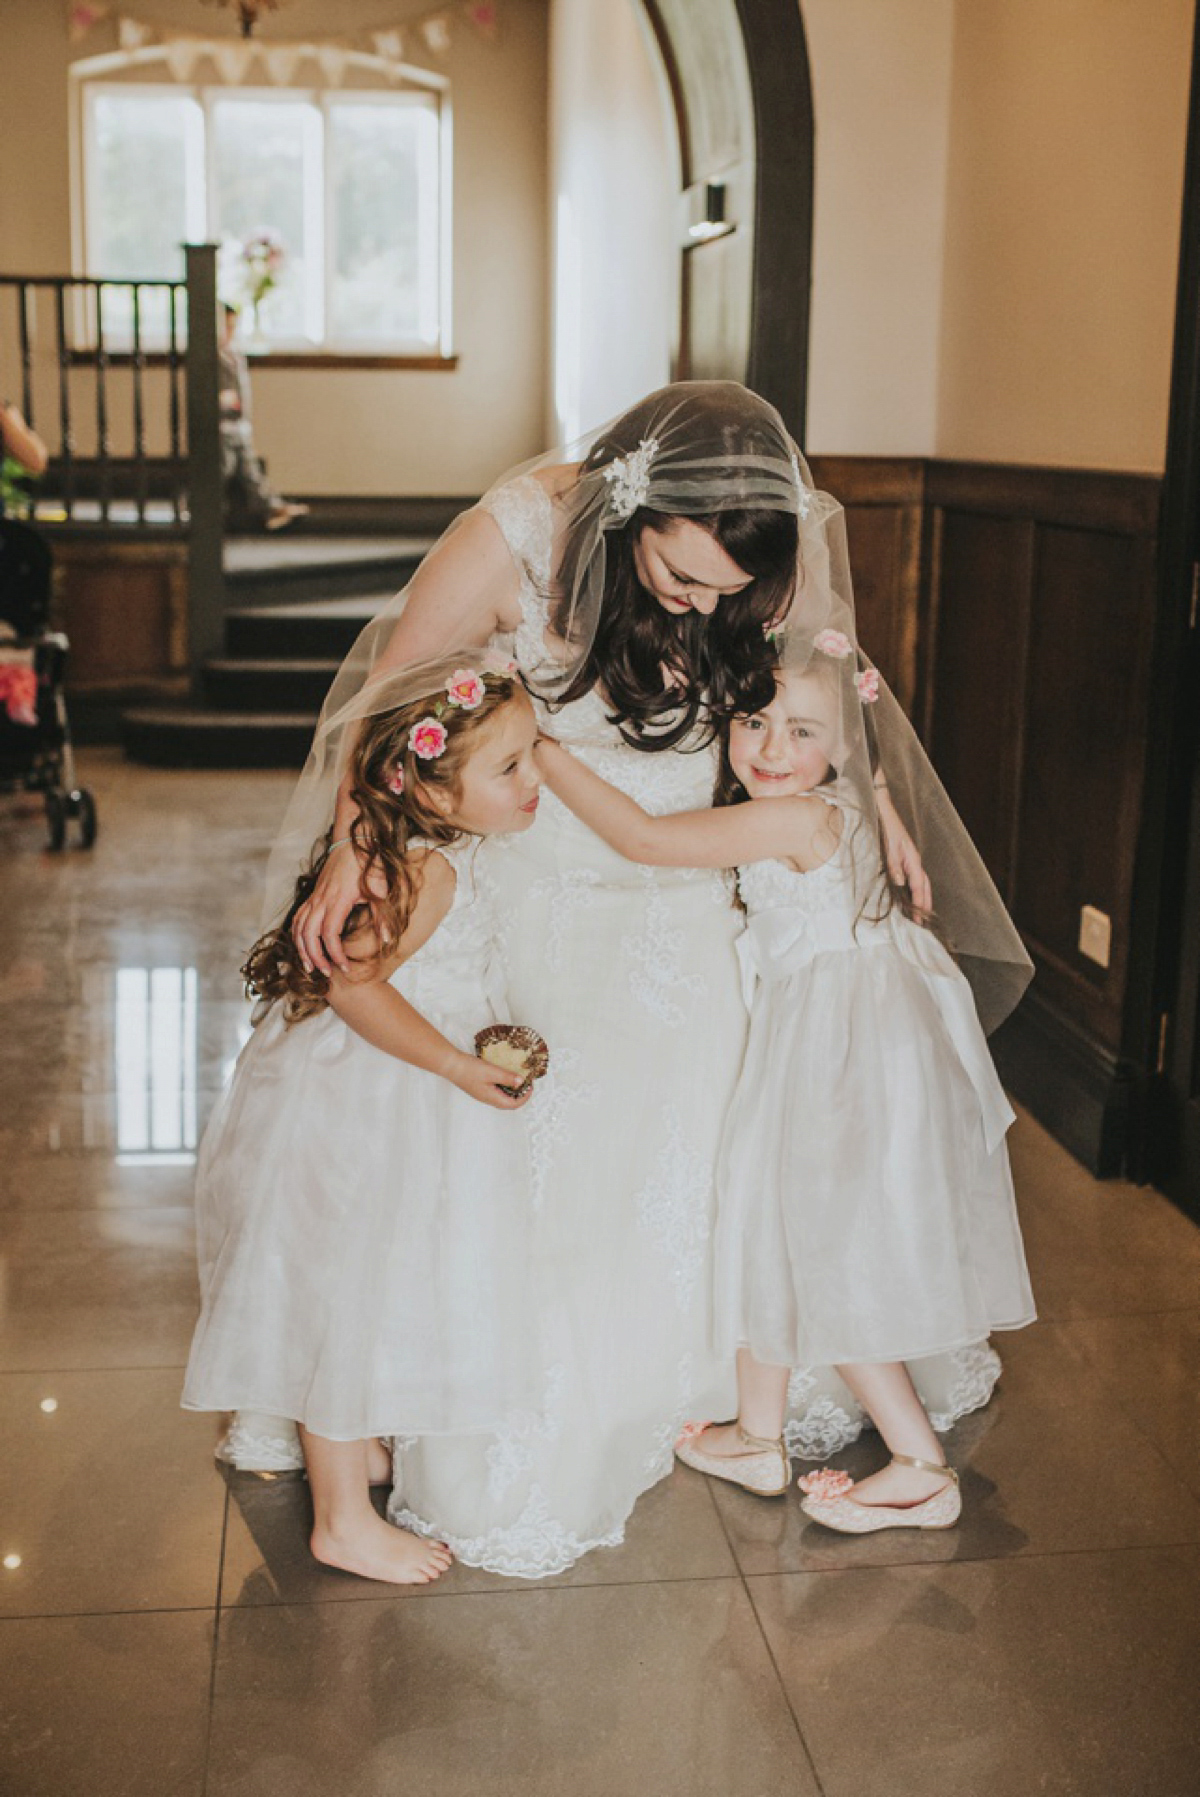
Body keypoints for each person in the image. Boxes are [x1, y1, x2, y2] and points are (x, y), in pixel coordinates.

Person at [239, 383, 1028, 1578]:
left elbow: (819, 687)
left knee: (728, 1155)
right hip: (542, 899)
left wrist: (871, 812)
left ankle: (730, 1401)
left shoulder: (741, 569)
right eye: (688, 579)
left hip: (706, 914)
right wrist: (357, 847)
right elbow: (394, 699)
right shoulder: (518, 532)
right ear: (632, 504)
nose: (710, 607)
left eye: (726, 595)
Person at [537, 643, 1035, 1532]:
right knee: (764, 1221)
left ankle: (919, 1463)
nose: (770, 747)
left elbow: (645, 839)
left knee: (818, 1250)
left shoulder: (794, 819)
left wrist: (538, 749)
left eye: (802, 729)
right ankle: (756, 1433)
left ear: (843, 743)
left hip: (836, 1054)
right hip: (841, 1037)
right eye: (752, 721)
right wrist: (878, 790)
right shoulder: (841, 801)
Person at [183, 654, 544, 1584]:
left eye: (531, 753)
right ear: (428, 784)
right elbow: (352, 983)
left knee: (378, 1289)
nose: (535, 779)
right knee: (351, 1296)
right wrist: (460, 1063)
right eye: (508, 767)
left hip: (383, 1095)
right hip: (369, 1107)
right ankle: (341, 1517)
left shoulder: (437, 853)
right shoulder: (426, 874)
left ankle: (352, 1450)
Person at [218, 303, 308, 532]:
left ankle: (272, 507)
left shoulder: (234, 355)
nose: (230, 332)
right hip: (219, 424)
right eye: (225, 326)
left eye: (233, 327)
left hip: (237, 423)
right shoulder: (211, 357)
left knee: (250, 468)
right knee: (224, 467)